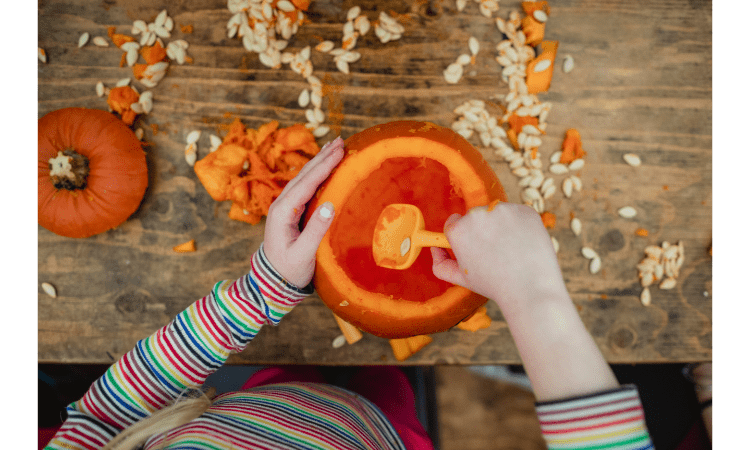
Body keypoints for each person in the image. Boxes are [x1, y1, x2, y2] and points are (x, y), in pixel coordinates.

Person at [45, 137, 654, 450]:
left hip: (278, 397)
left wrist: (263, 290)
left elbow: (108, 413)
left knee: (361, 378)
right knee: (393, 396)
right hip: (386, 434)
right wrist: (533, 298)